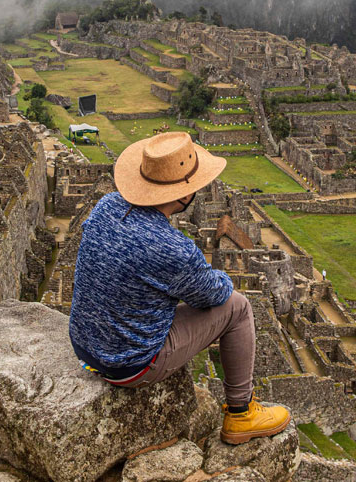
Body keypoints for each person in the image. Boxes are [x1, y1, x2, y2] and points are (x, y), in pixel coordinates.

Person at [68, 131, 291, 444]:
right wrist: (212, 275)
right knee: (239, 308)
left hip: (85, 346)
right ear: (183, 194)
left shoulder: (106, 206)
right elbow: (217, 294)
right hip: (127, 364)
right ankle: (241, 413)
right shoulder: (172, 249)